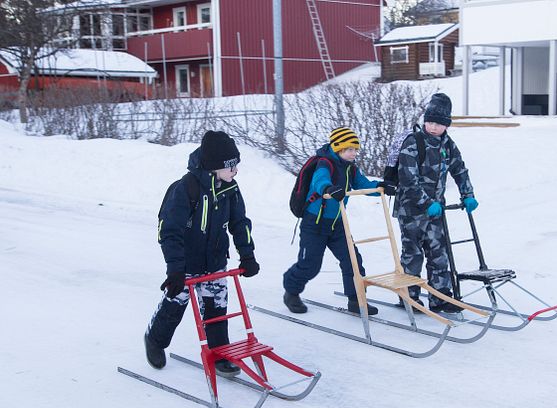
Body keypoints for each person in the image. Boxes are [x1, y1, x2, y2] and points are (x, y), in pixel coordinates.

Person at [144, 130, 260, 377]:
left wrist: (247, 255)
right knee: (175, 305)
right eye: (231, 167)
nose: (235, 172)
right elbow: (169, 231)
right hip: (185, 264)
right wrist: (175, 269)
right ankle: (155, 340)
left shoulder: (231, 189)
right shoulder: (186, 189)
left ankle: (219, 354)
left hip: (216, 260)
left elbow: (240, 223)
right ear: (215, 167)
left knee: (216, 308)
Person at [283, 127, 395, 315]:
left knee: (352, 260)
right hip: (315, 223)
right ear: (338, 148)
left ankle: (356, 300)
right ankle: (291, 292)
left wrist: (381, 187)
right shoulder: (325, 164)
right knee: (310, 264)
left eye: (355, 149)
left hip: (337, 223)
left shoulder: (351, 168)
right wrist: (329, 188)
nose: (353, 153)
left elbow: (364, 184)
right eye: (349, 149)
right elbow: (320, 181)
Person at [393, 93, 479, 313]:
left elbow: (459, 169)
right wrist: (425, 202)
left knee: (438, 253)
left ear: (446, 125)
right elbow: (407, 178)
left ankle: (440, 297)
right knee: (413, 254)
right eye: (430, 122)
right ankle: (408, 297)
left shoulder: (448, 145)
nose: (433, 127)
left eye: (439, 124)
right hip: (411, 210)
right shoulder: (413, 142)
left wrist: (467, 194)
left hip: (435, 210)